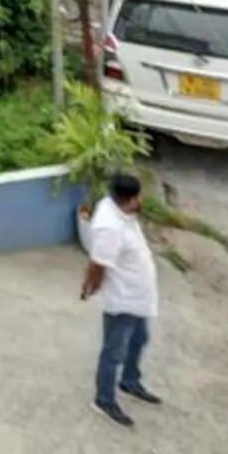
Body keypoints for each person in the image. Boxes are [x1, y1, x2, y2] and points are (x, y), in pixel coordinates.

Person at [79, 168, 163, 424]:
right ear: (128, 200)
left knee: (140, 339)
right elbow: (98, 263)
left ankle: (129, 381)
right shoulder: (109, 228)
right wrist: (89, 285)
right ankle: (104, 400)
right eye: (137, 198)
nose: (140, 202)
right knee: (113, 350)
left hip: (139, 297)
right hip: (124, 299)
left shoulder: (116, 206)